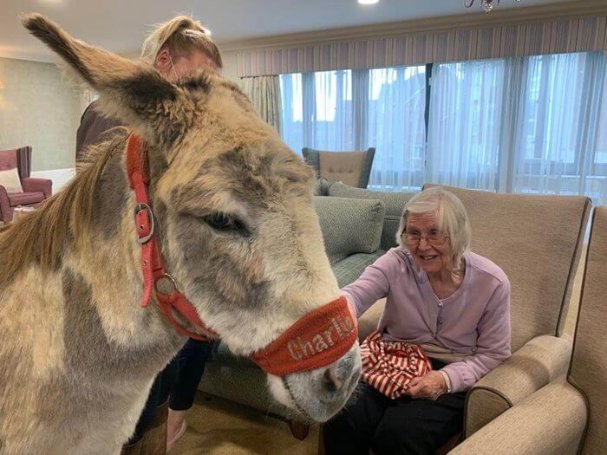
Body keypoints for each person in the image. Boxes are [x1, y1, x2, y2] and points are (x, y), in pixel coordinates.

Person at [75, 15, 223, 453]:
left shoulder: (114, 110)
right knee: (131, 417)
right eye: (198, 80)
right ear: (164, 62)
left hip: (134, 286)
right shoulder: (128, 115)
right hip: (129, 293)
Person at [323, 187, 511, 455]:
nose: (422, 246)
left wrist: (445, 380)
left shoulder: (491, 283)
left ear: (458, 234)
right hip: (390, 359)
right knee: (344, 415)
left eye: (435, 233)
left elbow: (494, 354)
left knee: (399, 435)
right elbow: (353, 296)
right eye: (413, 233)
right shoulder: (396, 262)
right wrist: (332, 314)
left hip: (450, 372)